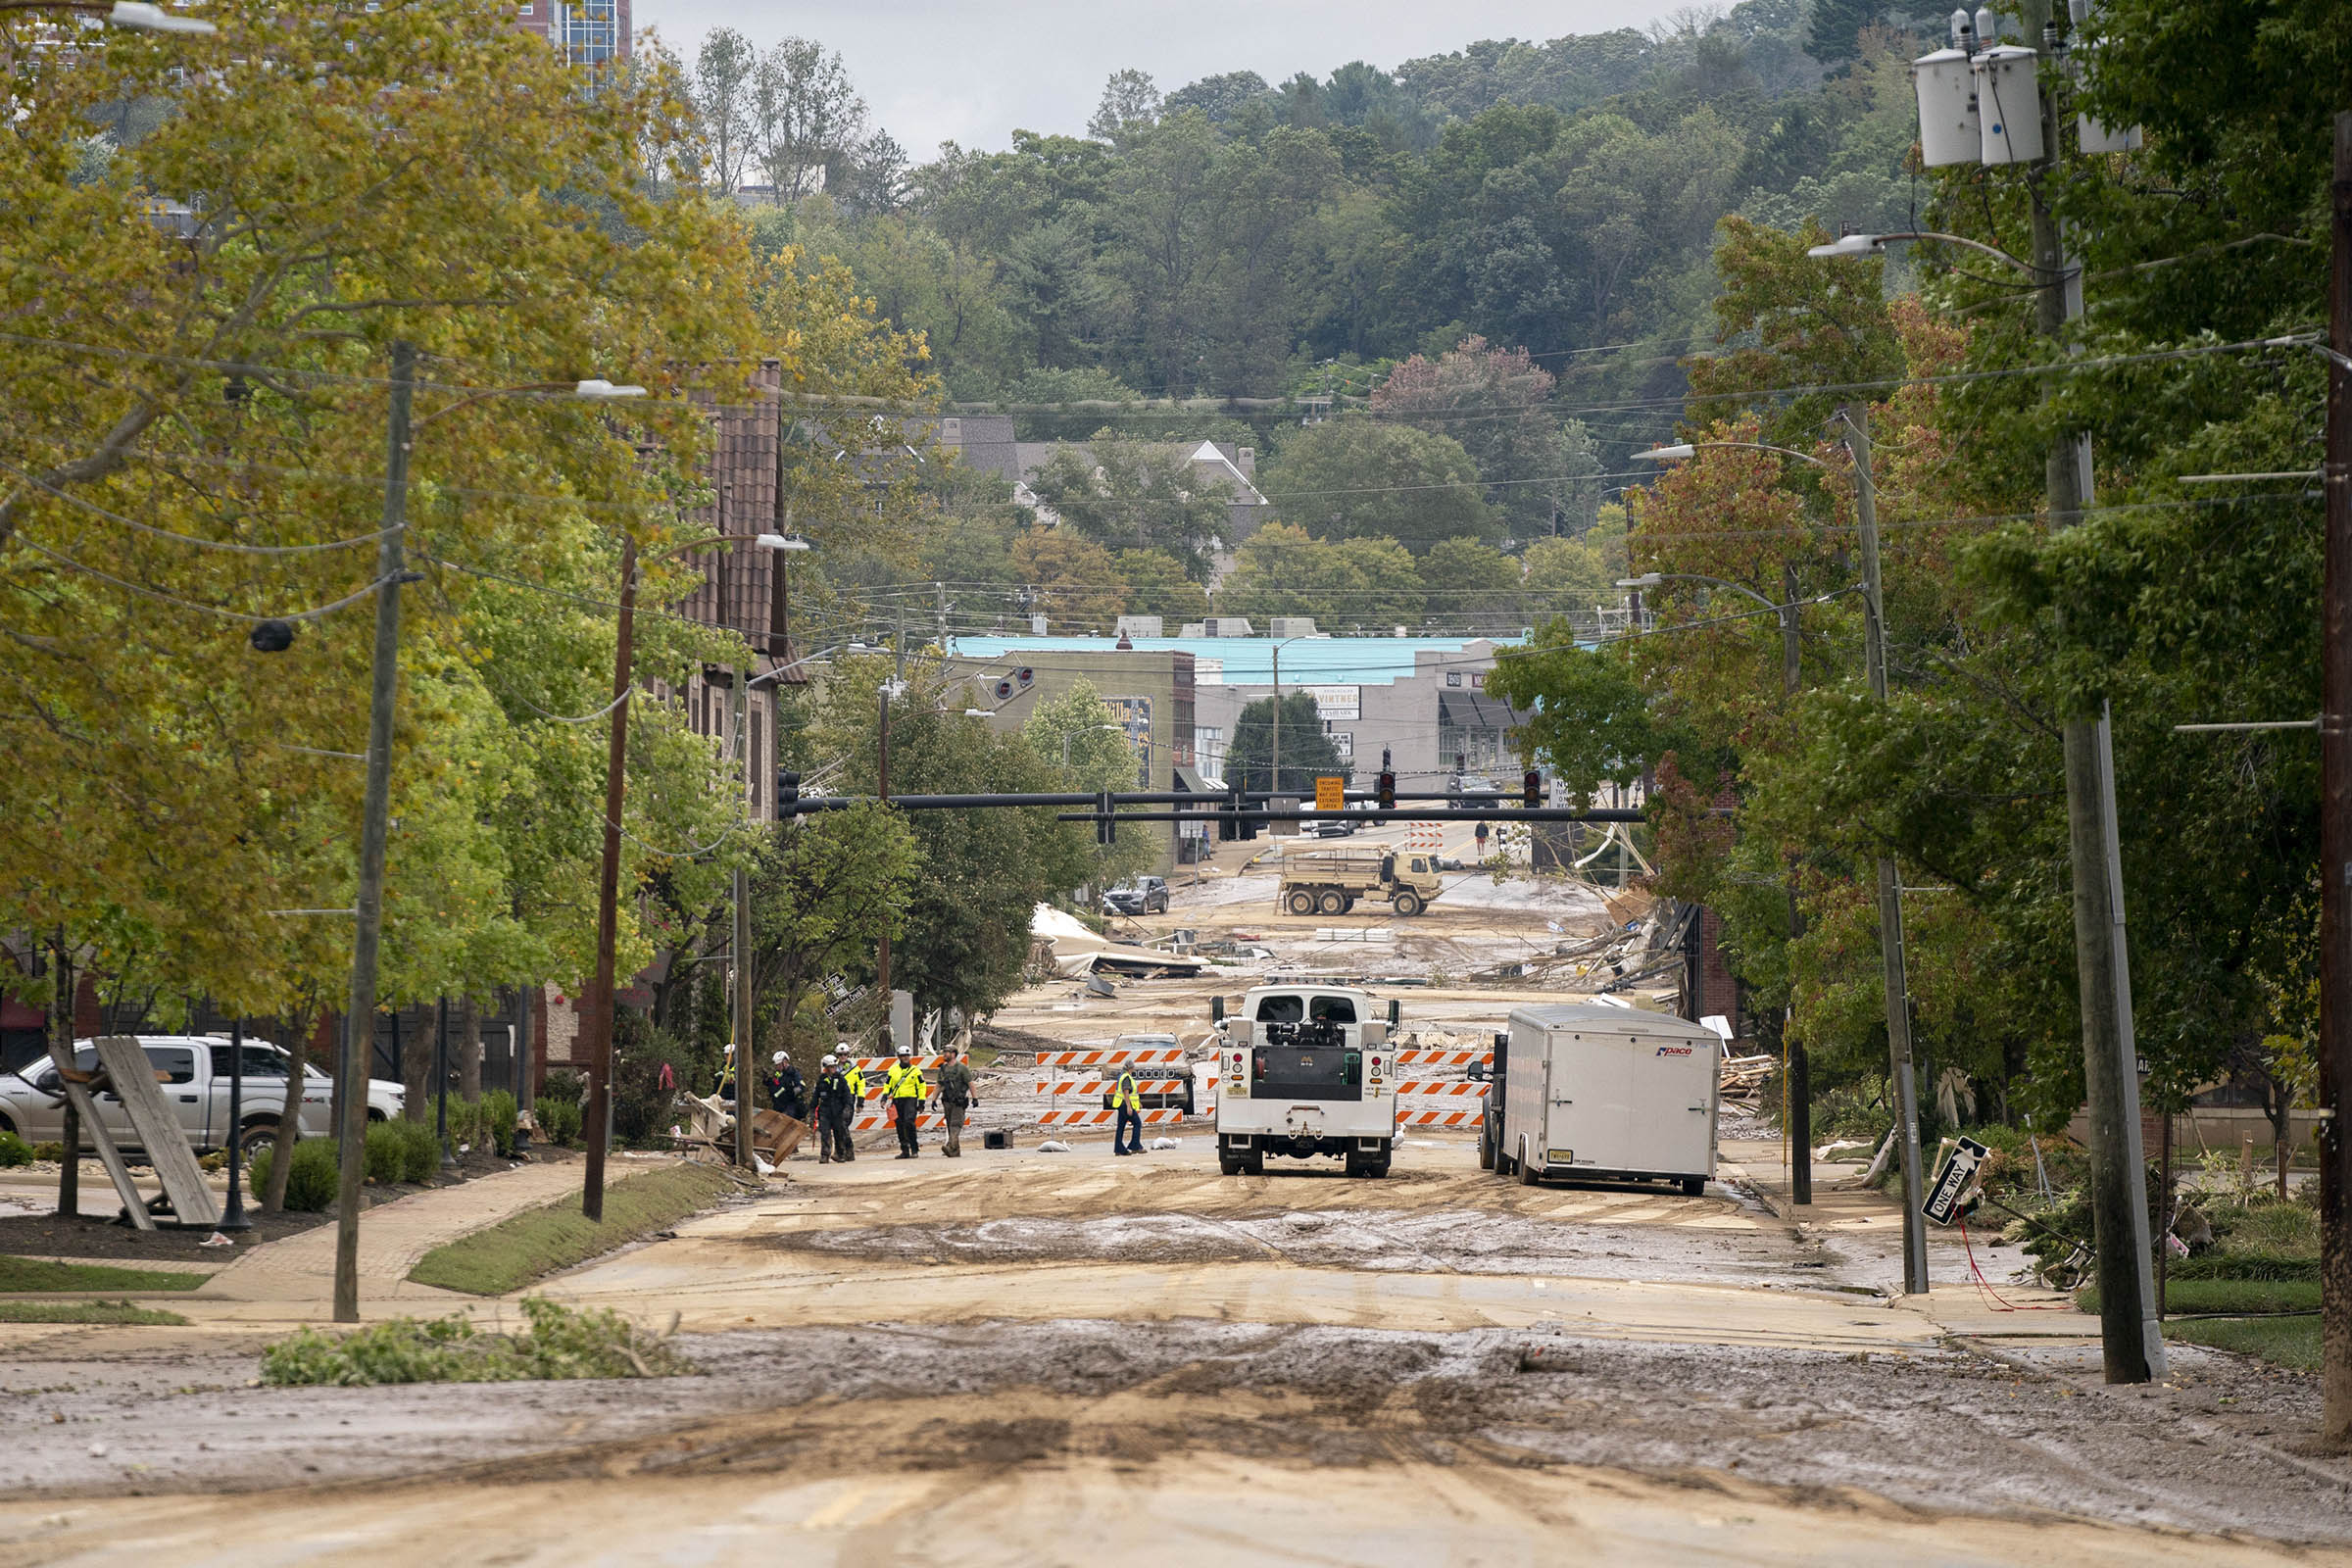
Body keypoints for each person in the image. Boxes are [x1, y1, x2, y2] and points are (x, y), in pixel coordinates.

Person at [883, 1043, 926, 1158]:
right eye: (903, 1056)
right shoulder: (893, 1070)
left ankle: (914, 1148)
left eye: (907, 1055)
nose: (905, 1058)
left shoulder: (915, 1071)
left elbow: (921, 1087)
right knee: (899, 1125)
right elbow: (888, 1085)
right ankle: (904, 1150)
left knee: (909, 1122)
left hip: (910, 1099)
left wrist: (921, 1102)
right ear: (899, 1057)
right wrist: (884, 1097)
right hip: (897, 1100)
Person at [935, 1045, 977, 1157]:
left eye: (947, 1052)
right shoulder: (943, 1069)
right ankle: (955, 1150)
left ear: (953, 1054)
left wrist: (975, 1098)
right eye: (944, 1052)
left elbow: (970, 1083)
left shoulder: (961, 1068)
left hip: (958, 1101)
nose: (944, 1054)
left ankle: (951, 1147)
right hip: (947, 1101)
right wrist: (934, 1099)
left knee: (955, 1124)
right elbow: (938, 1085)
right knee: (949, 1124)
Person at [811, 1054, 855, 1163]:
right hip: (825, 1110)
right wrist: (812, 1110)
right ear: (826, 1068)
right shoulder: (821, 1081)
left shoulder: (841, 1079)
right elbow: (815, 1097)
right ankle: (825, 1155)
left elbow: (847, 1095)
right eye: (831, 1067)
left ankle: (840, 1154)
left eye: (834, 1066)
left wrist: (847, 1108)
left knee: (839, 1132)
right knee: (825, 1133)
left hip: (838, 1110)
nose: (833, 1069)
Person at [1111, 1065, 1144, 1156]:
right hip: (1124, 1105)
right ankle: (1134, 1145)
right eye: (1133, 1067)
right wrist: (1129, 1107)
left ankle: (1119, 1149)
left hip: (1121, 1104)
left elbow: (1131, 1093)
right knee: (1137, 1123)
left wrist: (1138, 1103)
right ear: (1130, 1068)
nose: (1134, 1069)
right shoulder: (1126, 1078)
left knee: (1121, 1126)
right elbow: (1126, 1092)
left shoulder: (1123, 1076)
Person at [766, 1051, 806, 1122]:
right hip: (779, 1105)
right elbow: (775, 1086)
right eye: (776, 1065)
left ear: (785, 1062)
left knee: (786, 1120)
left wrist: (792, 1091)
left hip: (790, 1105)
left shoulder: (793, 1073)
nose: (777, 1067)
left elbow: (802, 1086)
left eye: (779, 1065)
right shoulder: (778, 1074)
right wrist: (767, 1081)